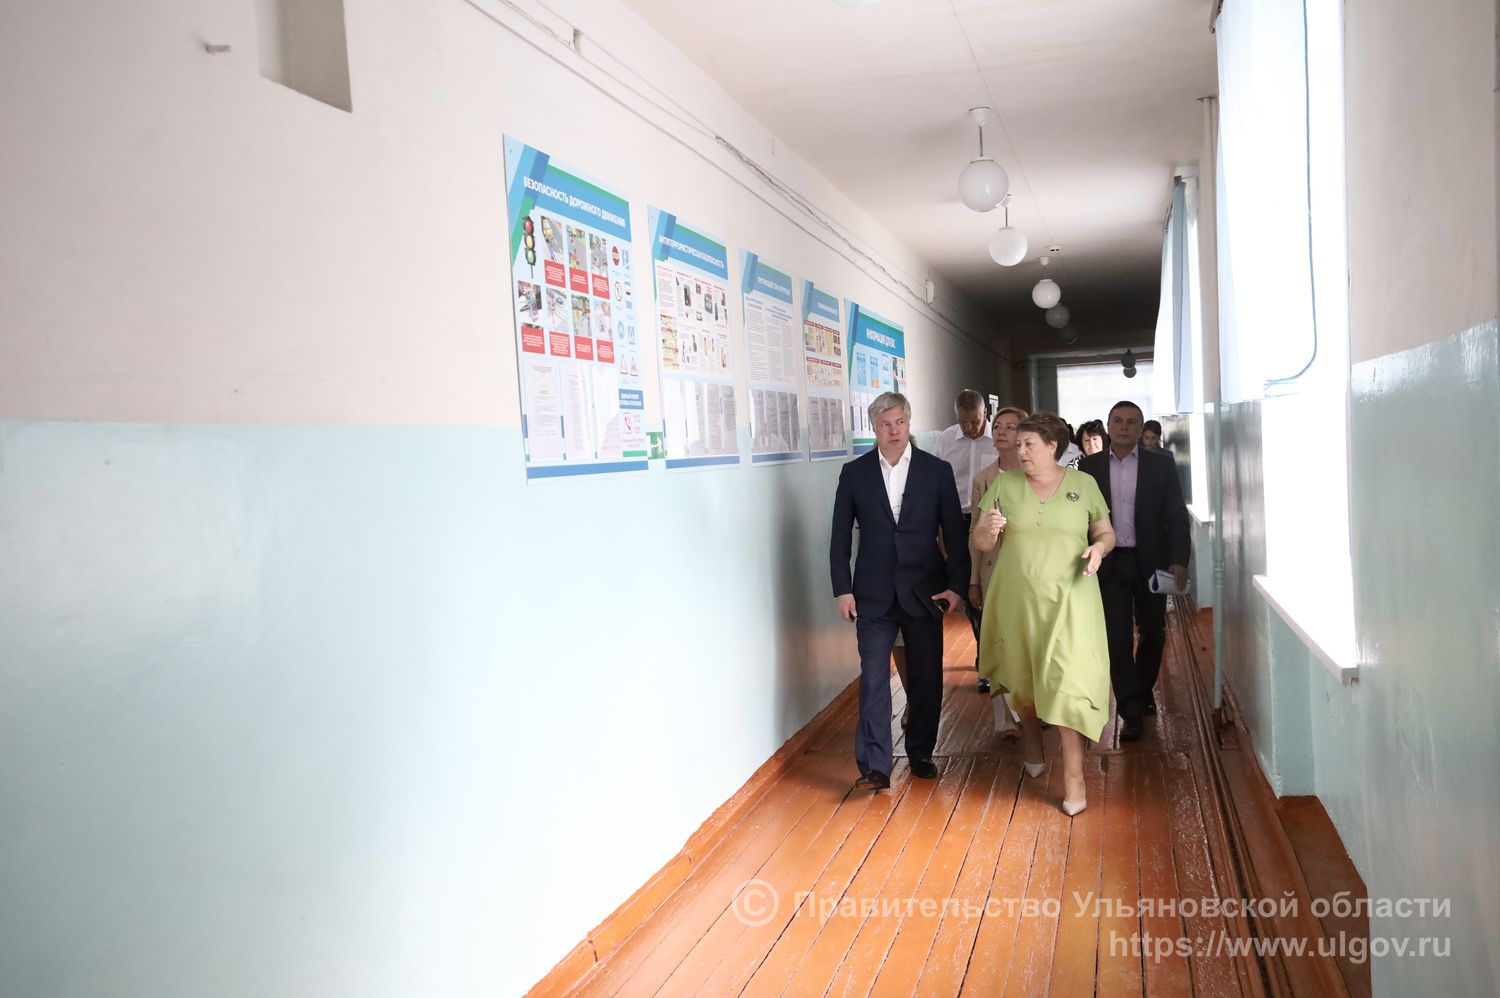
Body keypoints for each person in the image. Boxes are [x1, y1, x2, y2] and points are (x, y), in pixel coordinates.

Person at [972, 413, 1115, 816]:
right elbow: (981, 542)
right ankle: (1032, 738)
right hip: (1017, 600)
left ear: (1053, 446)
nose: (1019, 450)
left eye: (1028, 444)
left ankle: (1074, 776)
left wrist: (1098, 549)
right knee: (1024, 680)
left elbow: (1106, 533)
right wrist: (989, 530)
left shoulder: (1083, 485)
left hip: (1071, 599)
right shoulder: (1004, 485)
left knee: (1068, 684)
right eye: (1018, 444)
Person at [831, 392, 968, 790]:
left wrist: (956, 586)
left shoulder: (936, 471)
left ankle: (921, 751)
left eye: (900, 423)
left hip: (925, 590)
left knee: (925, 677)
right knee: (874, 678)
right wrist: (842, 589)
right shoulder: (854, 473)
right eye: (885, 425)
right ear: (873, 428)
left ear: (909, 422)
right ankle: (875, 765)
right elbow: (839, 536)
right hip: (871, 592)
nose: (893, 431)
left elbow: (954, 534)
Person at [1077, 401, 1191, 742]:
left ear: (1141, 429)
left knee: (1154, 631)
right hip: (1110, 563)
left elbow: (1176, 516)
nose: (1123, 427)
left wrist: (1179, 560)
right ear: (1109, 426)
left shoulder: (1161, 465)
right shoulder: (1089, 466)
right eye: (1117, 421)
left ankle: (1142, 691)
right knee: (1117, 637)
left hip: (1151, 561)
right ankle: (1130, 710)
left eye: (1130, 422)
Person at [934, 389, 994, 687]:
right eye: (963, 422)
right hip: (956, 519)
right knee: (969, 585)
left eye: (975, 421)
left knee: (989, 582)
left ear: (985, 413)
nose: (970, 427)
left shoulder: (998, 439)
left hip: (989, 519)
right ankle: (985, 654)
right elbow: (934, 482)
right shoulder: (945, 440)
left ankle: (991, 658)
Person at [967, 406, 1026, 700]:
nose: (1001, 432)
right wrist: (974, 580)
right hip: (994, 569)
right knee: (998, 641)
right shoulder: (983, 478)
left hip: (1029, 571)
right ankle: (1004, 717)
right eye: (998, 426)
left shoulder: (1036, 474)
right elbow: (974, 531)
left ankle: (1031, 706)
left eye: (1010, 427)